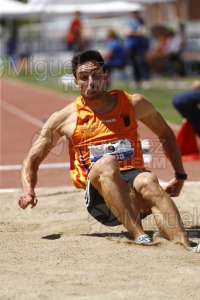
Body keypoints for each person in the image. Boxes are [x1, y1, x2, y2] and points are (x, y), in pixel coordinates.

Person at [18, 50, 199, 253]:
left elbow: (165, 132)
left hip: (136, 192)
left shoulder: (133, 103)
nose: (91, 81)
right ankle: (140, 235)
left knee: (147, 180)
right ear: (76, 83)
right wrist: (28, 190)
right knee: (107, 162)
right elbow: (31, 160)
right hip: (101, 201)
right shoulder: (64, 118)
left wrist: (180, 175)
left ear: (106, 76)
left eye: (96, 74)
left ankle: (185, 244)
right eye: (84, 77)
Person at [173, 80, 200, 155]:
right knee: (198, 122)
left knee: (196, 121)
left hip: (176, 100)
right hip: (183, 103)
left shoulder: (193, 93)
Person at [124, 11, 150, 89]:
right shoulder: (128, 21)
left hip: (140, 45)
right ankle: (136, 80)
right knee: (133, 63)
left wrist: (133, 32)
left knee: (142, 62)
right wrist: (136, 32)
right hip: (131, 45)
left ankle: (145, 79)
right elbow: (127, 32)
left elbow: (142, 32)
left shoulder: (141, 21)